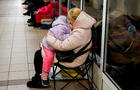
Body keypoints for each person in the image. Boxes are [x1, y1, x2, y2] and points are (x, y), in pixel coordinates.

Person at [27, 7, 96, 88]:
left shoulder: (80, 33)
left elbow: (62, 46)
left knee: (39, 54)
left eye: (70, 19)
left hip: (72, 57)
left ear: (75, 20)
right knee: (41, 53)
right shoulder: (84, 27)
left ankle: (40, 81)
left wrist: (49, 38)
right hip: (73, 51)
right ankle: (38, 78)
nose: (69, 21)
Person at [40, 15, 70, 87]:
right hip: (48, 45)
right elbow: (61, 37)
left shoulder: (62, 25)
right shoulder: (61, 27)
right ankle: (45, 74)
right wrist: (70, 35)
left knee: (50, 57)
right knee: (49, 57)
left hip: (52, 44)